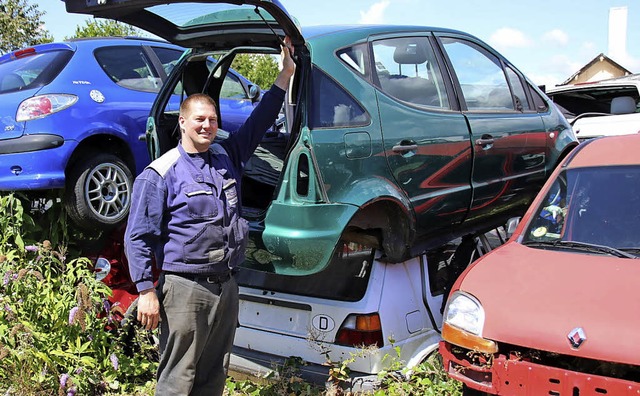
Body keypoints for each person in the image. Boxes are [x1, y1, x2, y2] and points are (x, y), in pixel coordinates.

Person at [124, 38, 295, 395]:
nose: (207, 125)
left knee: (214, 375)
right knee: (177, 377)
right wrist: (145, 291)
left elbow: (259, 122)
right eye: (199, 119)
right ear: (183, 122)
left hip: (226, 286)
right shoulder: (160, 173)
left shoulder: (227, 156)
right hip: (185, 289)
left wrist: (285, 75)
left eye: (212, 120)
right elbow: (138, 236)